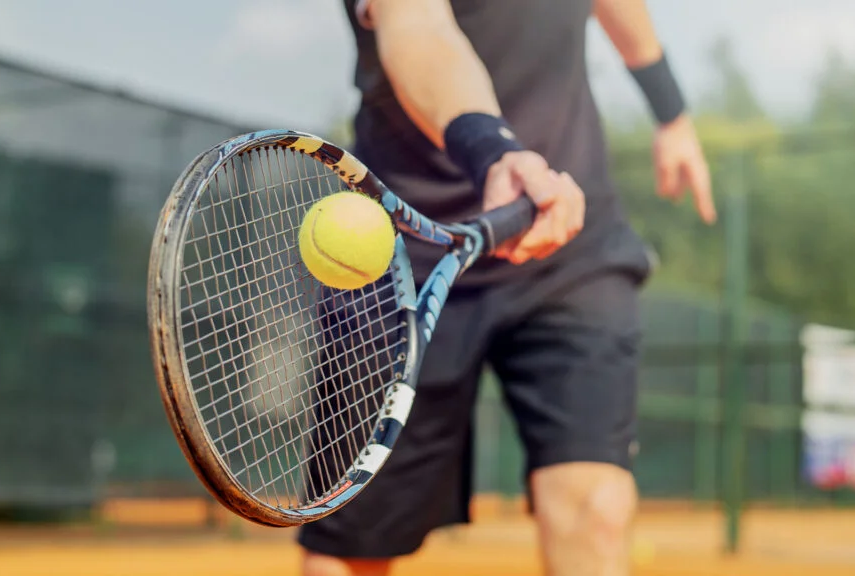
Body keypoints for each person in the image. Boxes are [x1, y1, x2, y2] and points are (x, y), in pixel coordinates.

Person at [299, 1, 716, 575]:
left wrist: (670, 111)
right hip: (402, 257)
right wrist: (494, 150)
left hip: (568, 237)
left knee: (595, 509)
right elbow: (417, 27)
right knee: (353, 551)